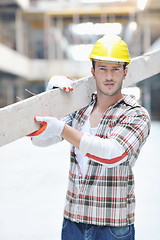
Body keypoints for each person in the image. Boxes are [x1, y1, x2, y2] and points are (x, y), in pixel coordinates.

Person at [29, 35, 151, 240]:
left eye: (116, 69)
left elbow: (112, 154)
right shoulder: (80, 109)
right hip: (73, 223)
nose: (109, 76)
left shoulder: (135, 114)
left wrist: (61, 128)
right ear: (93, 71)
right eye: (103, 68)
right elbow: (39, 140)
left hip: (112, 227)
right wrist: (50, 100)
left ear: (125, 71)